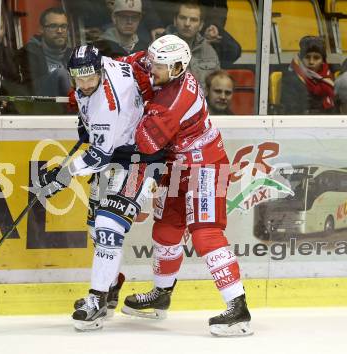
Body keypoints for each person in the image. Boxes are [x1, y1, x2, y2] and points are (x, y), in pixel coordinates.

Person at [120, 34, 252, 337]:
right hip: (178, 164)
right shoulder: (168, 72)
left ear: (178, 67)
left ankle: (238, 307)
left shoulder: (172, 102)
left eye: (159, 66)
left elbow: (145, 142)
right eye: (154, 63)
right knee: (166, 227)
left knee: (205, 233)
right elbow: (135, 62)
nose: (152, 69)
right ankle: (162, 293)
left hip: (206, 165)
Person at [35, 44, 165, 331]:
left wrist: (62, 176)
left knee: (108, 226)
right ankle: (110, 287)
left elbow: (97, 157)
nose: (84, 84)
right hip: (116, 150)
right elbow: (136, 59)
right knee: (96, 228)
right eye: (78, 79)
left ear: (101, 72)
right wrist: (86, 122)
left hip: (138, 158)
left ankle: (95, 301)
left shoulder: (107, 101)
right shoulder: (101, 66)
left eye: (89, 78)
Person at [162, 1, 220, 88]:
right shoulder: (160, 47)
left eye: (193, 20)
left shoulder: (209, 51)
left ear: (201, 25)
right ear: (175, 20)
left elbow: (216, 86)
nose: (187, 24)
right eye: (182, 18)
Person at [19, 7, 72, 97]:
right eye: (53, 26)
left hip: (73, 107)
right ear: (41, 29)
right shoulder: (28, 53)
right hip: (43, 108)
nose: (59, 31)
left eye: (63, 26)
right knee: (61, 74)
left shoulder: (73, 54)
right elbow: (29, 90)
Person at [280, 36, 335, 115]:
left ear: (323, 61)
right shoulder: (291, 79)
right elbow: (293, 110)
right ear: (301, 58)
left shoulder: (328, 77)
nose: (311, 62)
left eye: (316, 58)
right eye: (307, 57)